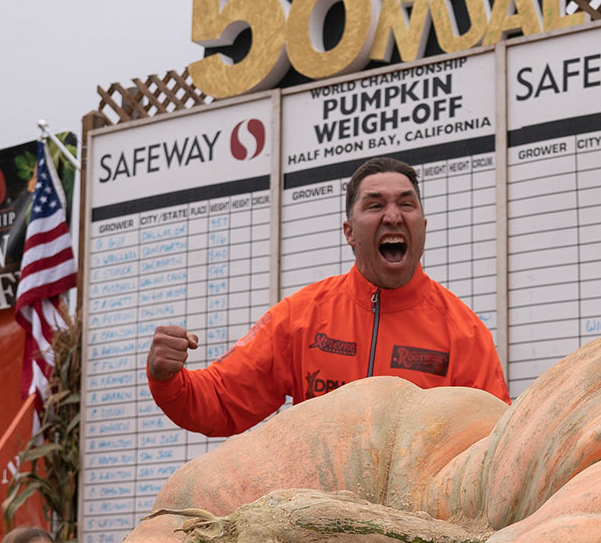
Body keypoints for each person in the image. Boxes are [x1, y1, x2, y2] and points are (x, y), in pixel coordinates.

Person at [146, 157, 509, 435]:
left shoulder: (465, 333)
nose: (393, 216)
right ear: (349, 232)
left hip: (419, 527)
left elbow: (495, 443)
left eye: (406, 204)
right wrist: (167, 379)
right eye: (375, 204)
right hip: (317, 529)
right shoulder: (301, 317)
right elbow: (221, 402)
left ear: (423, 227)